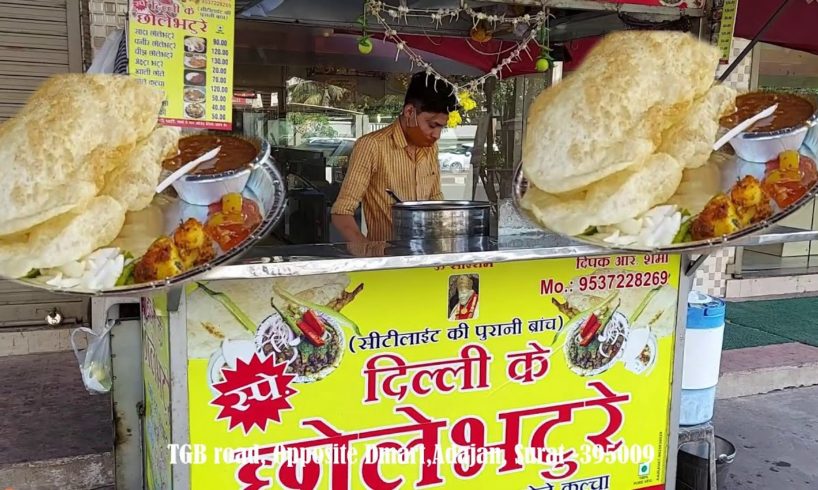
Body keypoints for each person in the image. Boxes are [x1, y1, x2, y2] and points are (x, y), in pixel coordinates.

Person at [331, 72, 458, 249]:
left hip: (427, 260)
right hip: (387, 262)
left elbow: (435, 200)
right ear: (409, 112)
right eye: (432, 125)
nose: (436, 135)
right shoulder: (372, 146)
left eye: (441, 128)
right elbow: (341, 212)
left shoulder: (430, 148)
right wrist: (366, 254)